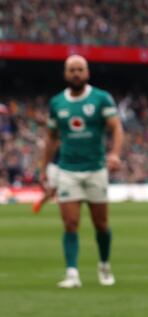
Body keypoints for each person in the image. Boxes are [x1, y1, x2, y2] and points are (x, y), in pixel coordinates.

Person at [41, 55, 124, 288]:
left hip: (96, 169)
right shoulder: (57, 103)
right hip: (68, 169)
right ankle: (72, 273)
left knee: (101, 224)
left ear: (87, 73)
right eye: (72, 70)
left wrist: (115, 153)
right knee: (70, 223)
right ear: (65, 74)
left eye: (80, 69)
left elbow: (116, 127)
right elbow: (51, 139)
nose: (76, 74)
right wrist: (45, 169)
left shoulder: (101, 98)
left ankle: (104, 264)